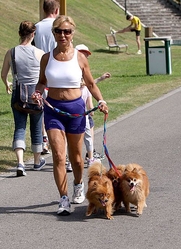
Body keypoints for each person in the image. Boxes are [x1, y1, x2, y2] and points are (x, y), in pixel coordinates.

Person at [33, 15, 109, 215]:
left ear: (73, 33)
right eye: (59, 31)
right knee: (58, 156)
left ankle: (77, 184)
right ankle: (63, 198)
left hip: (75, 109)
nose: (63, 35)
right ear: (54, 33)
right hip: (53, 109)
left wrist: (101, 100)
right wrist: (38, 92)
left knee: (76, 159)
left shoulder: (80, 57)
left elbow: (91, 84)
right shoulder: (47, 58)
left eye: (67, 31)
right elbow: (41, 81)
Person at [1, 21, 46, 177]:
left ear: (19, 33)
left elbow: (3, 74)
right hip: (36, 95)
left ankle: (20, 162)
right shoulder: (40, 53)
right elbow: (44, 76)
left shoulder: (11, 52)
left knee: (19, 128)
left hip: (18, 94)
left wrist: (7, 83)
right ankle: (36, 161)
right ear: (33, 34)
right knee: (37, 128)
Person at [75, 44, 111, 167]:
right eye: (83, 53)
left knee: (88, 133)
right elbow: (84, 85)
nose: (85, 56)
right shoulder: (73, 67)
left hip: (83, 109)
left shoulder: (83, 68)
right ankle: (71, 160)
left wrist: (100, 79)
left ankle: (90, 157)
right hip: (73, 106)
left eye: (87, 54)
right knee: (73, 135)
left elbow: (89, 85)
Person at [34, 0, 60, 154]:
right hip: (56, 67)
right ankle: (55, 137)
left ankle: (44, 139)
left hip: (40, 68)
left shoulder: (37, 27)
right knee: (56, 104)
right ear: (56, 10)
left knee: (42, 106)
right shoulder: (58, 27)